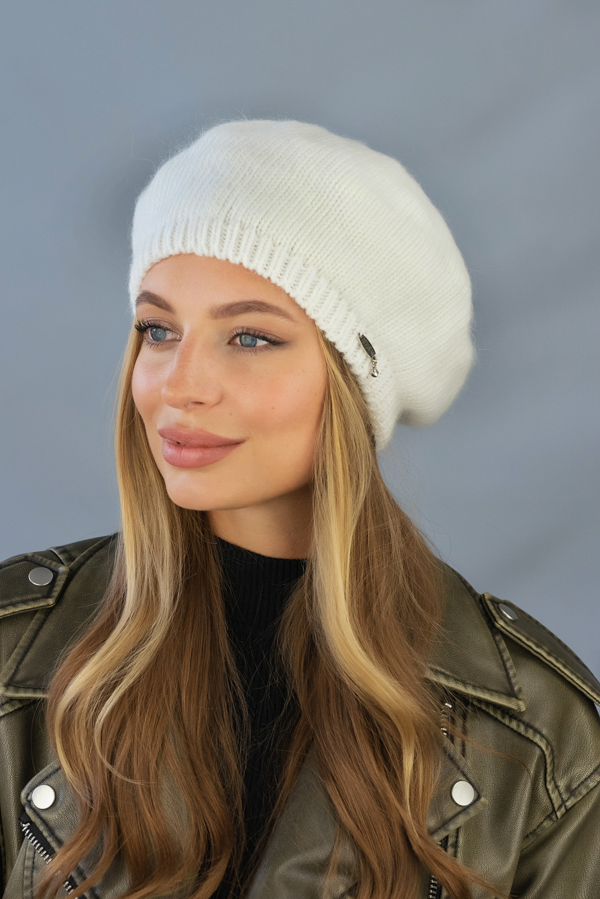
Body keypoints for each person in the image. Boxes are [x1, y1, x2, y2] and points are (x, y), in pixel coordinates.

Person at [1, 120, 599, 899]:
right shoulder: (13, 659)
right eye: (158, 329)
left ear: (355, 382)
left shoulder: (541, 737)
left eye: (250, 337)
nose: (179, 383)